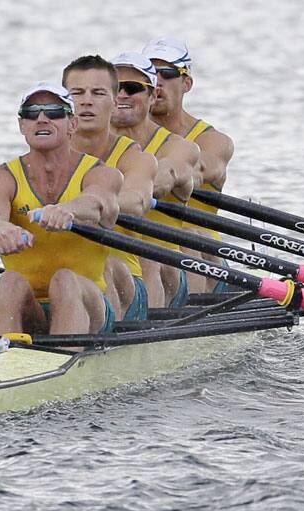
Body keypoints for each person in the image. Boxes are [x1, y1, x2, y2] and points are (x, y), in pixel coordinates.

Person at [0, 82, 123, 336]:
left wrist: (68, 210)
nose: (42, 119)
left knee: (65, 280)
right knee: (8, 283)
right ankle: (0, 363)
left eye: (54, 112)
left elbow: (97, 202)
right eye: (32, 113)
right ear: (22, 126)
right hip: (26, 305)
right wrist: (1, 230)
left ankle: (66, 361)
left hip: (88, 303)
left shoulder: (101, 173)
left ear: (72, 124)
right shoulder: (0, 179)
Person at [62, 54, 158, 321]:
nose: (86, 101)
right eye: (77, 93)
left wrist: (90, 207)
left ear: (115, 102)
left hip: (121, 281)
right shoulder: (42, 160)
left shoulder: (135, 158)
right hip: (57, 280)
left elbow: (137, 201)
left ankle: (100, 349)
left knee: (106, 265)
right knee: (11, 283)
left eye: (98, 93)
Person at [142, 37, 235, 293]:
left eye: (167, 73)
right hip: (138, 252)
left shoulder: (212, 141)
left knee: (190, 236)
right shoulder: (120, 139)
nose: (156, 82)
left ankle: (187, 323)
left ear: (187, 83)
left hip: (203, 260)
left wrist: (171, 175)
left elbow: (200, 168)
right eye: (148, 74)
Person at [109, 52, 200, 309]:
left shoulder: (179, 148)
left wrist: (98, 201)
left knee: (144, 252)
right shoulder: (87, 145)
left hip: (164, 268)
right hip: (102, 264)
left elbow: (162, 178)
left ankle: (144, 339)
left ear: (151, 96)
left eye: (133, 88)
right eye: (115, 88)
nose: (122, 95)